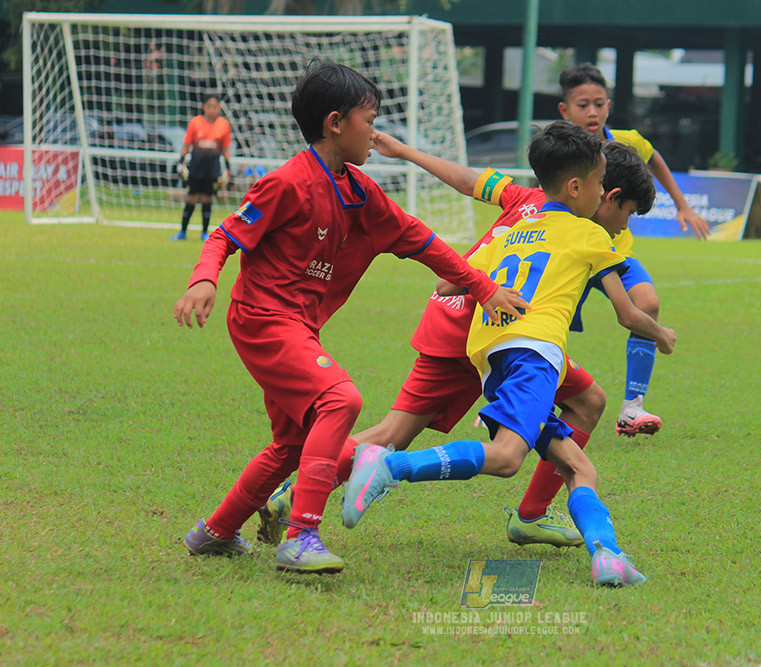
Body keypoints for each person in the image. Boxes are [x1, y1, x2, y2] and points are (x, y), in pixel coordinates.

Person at [173, 60, 528, 575]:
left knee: (290, 445)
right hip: (263, 318)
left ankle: (215, 532)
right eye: (370, 118)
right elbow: (226, 234)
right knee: (340, 399)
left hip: (296, 326)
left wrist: (485, 287)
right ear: (336, 123)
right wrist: (204, 277)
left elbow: (425, 242)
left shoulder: (361, 191)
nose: (376, 130)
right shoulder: (286, 183)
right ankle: (301, 537)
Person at [256, 137, 659, 552]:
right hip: (496, 329)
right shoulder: (581, 229)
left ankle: (294, 492)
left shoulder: (525, 196)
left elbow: (470, 181)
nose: (625, 225)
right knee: (404, 434)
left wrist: (408, 151)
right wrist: (661, 335)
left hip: (459, 316)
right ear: (595, 190)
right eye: (626, 212)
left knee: (587, 399)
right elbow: (632, 309)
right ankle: (531, 515)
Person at [339, 121, 677, 587]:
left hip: (492, 358)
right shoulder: (594, 237)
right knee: (505, 458)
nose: (608, 205)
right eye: (603, 190)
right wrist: (661, 334)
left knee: (579, 466)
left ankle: (608, 555)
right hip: (533, 354)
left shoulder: (514, 224)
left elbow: (448, 282)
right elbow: (629, 310)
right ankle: (389, 465)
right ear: (581, 188)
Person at [558, 63, 709, 437]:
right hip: (571, 253)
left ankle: (632, 408)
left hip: (613, 253)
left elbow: (654, 158)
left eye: (598, 104)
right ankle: (517, 397)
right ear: (565, 111)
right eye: (582, 105)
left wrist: (682, 203)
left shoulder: (626, 141)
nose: (591, 112)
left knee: (648, 303)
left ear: (608, 105)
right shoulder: (561, 148)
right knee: (549, 324)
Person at [172, 94, 232, 242]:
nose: (212, 110)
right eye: (209, 106)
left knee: (207, 199)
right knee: (191, 198)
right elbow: (186, 146)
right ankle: (183, 232)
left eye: (215, 107)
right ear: (204, 107)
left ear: (219, 108)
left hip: (212, 168)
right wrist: (180, 162)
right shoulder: (195, 123)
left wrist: (229, 169)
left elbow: (225, 150)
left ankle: (204, 233)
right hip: (196, 166)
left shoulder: (224, 125)